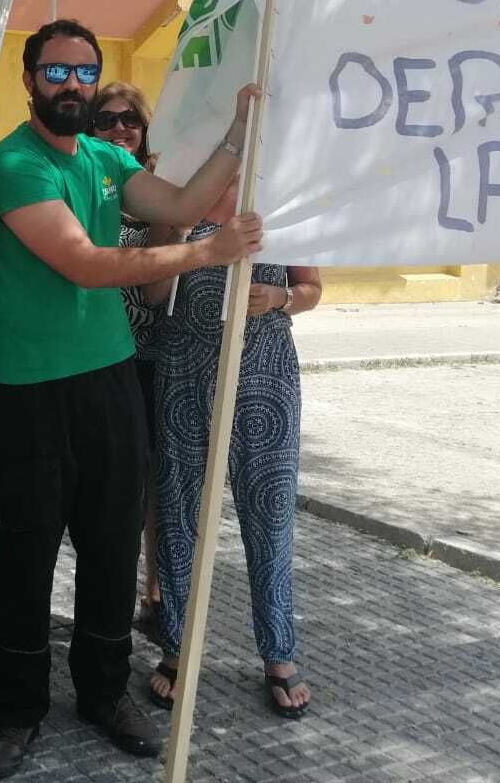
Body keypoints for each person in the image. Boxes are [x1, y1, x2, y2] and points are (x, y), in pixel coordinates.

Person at [0, 19, 263, 780]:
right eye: (57, 72)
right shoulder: (15, 167)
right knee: (27, 557)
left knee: (107, 550)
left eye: (84, 72)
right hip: (25, 389)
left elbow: (182, 200)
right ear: (29, 80)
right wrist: (205, 252)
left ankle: (104, 692)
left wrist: (238, 129)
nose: (72, 85)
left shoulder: (104, 156)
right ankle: (15, 710)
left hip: (106, 378)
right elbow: (86, 264)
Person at [132, 177, 322, 719]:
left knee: (269, 512)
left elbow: (311, 288)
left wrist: (280, 298)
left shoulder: (283, 201)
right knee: (178, 513)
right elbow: (149, 294)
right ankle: (176, 648)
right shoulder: (180, 198)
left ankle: (279, 655)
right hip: (184, 366)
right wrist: (177, 238)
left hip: (263, 373)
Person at [91, 81, 162, 625]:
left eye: (129, 121)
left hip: (157, 355)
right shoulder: (88, 183)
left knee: (159, 482)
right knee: (112, 490)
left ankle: (156, 591)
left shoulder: (162, 189)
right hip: (100, 359)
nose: (119, 129)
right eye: (106, 120)